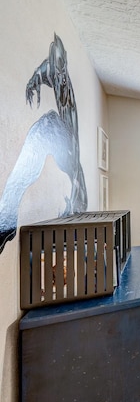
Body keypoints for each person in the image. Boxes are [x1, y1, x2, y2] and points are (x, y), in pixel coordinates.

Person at [0, 34, 87, 253]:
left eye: (60, 66)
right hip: (64, 142)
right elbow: (38, 75)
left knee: (46, 125)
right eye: (55, 66)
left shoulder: (64, 83)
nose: (57, 71)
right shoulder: (50, 68)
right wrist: (32, 85)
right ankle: (6, 221)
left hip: (69, 145)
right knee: (44, 126)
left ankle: (6, 221)